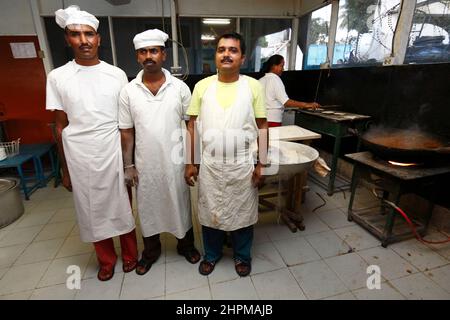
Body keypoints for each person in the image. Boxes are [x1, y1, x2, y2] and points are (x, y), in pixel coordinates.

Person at [46, 5, 138, 281]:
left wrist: (130, 161)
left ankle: (131, 255)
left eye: (89, 34)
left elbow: (126, 123)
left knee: (121, 204)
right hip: (80, 154)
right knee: (91, 209)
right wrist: (63, 169)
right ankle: (106, 260)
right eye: (76, 34)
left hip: (112, 149)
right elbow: (60, 125)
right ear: (67, 39)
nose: (83, 40)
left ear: (99, 38)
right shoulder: (58, 77)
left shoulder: (116, 74)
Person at [184, 32, 268, 277]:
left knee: (243, 213)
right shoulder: (202, 86)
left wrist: (262, 164)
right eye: (221, 50)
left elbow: (262, 126)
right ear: (216, 55)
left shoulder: (253, 86)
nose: (226, 54)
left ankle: (242, 256)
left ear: (243, 57)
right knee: (211, 212)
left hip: (241, 163)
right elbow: (192, 126)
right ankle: (212, 254)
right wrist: (190, 161)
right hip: (209, 163)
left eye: (233, 50)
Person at [119, 29, 201, 276]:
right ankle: (150, 252)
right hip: (146, 164)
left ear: (163, 54)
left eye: (154, 51)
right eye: (143, 52)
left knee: (180, 205)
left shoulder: (180, 88)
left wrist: (190, 162)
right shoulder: (129, 90)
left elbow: (191, 125)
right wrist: (128, 165)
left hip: (175, 162)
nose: (148, 56)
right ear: (137, 57)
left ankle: (185, 245)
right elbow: (126, 131)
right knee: (148, 207)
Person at [259, 54, 320, 127]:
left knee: (263, 138)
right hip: (273, 121)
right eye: (281, 66)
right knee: (272, 138)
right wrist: (307, 105)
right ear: (274, 66)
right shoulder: (275, 79)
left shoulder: (260, 80)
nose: (283, 69)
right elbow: (286, 102)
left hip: (260, 121)